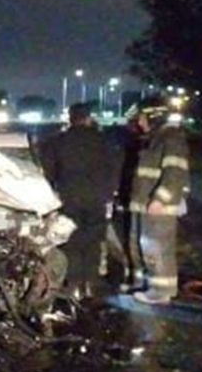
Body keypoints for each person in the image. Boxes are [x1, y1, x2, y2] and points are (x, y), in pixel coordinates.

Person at [39, 103, 119, 299]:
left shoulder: (58, 142)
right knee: (93, 240)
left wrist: (50, 199)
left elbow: (48, 172)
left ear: (70, 118)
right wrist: (108, 194)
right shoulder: (103, 141)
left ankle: (73, 284)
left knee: (71, 241)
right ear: (88, 118)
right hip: (97, 199)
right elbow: (114, 168)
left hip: (69, 198)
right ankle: (90, 283)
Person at [124, 97, 190, 304]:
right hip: (144, 202)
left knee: (157, 248)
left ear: (154, 116)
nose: (140, 122)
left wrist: (161, 199)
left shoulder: (171, 137)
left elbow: (176, 172)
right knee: (141, 246)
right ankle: (145, 284)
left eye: (143, 118)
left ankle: (161, 291)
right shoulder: (155, 138)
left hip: (158, 206)